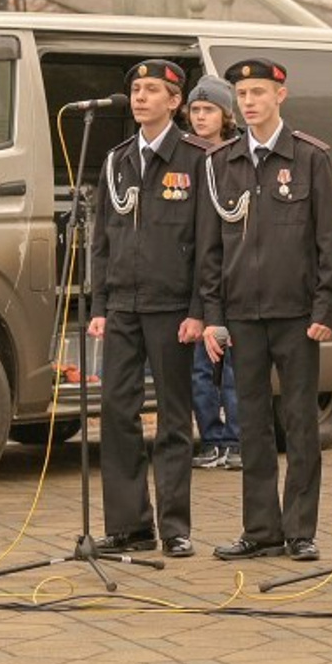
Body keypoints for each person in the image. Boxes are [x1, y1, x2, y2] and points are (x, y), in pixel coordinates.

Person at [200, 55, 332, 562]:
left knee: (300, 422)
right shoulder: (222, 163)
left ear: (280, 96)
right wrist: (214, 316)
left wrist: (324, 310)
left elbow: (330, 243)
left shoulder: (308, 158)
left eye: (258, 93)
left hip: (296, 316)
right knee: (253, 424)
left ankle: (300, 530)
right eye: (242, 96)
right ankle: (260, 529)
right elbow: (211, 250)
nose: (249, 103)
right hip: (242, 315)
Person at [88, 58, 209, 558]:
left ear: (175, 102)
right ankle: (128, 525)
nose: (140, 97)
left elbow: (208, 243)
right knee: (117, 411)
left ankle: (175, 527)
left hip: (172, 306)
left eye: (152, 89)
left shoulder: (196, 159)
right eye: (136, 89)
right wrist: (98, 303)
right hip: (122, 305)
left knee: (175, 418)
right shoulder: (117, 159)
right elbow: (101, 239)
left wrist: (200, 310)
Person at [186, 76, 242, 472]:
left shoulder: (237, 155)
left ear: (226, 115)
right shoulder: (184, 155)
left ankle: (237, 438)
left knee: (232, 370)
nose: (201, 116)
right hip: (195, 279)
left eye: (209, 110)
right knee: (200, 369)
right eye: (196, 109)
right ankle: (211, 438)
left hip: (234, 277)